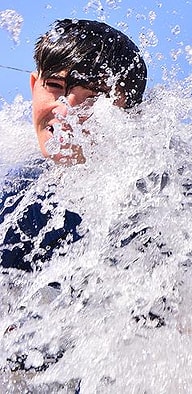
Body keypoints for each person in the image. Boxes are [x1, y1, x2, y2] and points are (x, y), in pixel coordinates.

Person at [1, 18, 146, 272]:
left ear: (131, 115)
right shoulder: (14, 196)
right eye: (56, 87)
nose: (66, 112)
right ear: (35, 86)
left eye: (94, 98)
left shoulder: (161, 200)